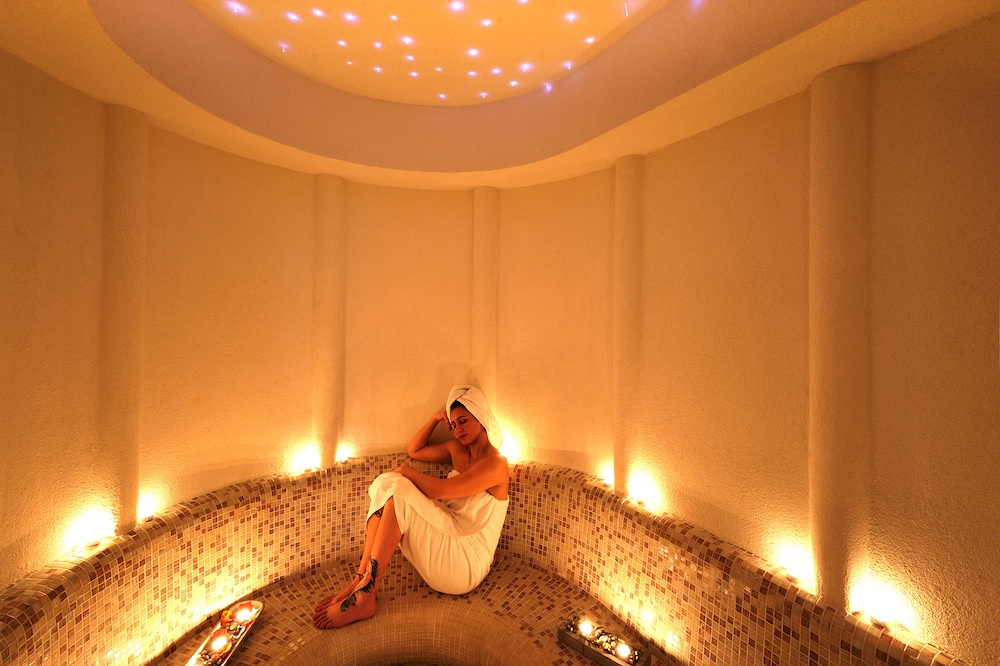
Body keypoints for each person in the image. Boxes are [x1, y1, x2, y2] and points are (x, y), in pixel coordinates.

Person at [313, 385, 510, 629]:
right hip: (449, 535)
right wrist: (436, 418)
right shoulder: (457, 450)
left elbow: (439, 491)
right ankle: (360, 581)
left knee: (399, 491)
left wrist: (406, 471)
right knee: (388, 482)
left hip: (466, 564)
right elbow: (414, 450)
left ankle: (365, 594)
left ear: (480, 417)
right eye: (453, 424)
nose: (458, 429)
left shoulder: (495, 464)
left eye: (463, 421)